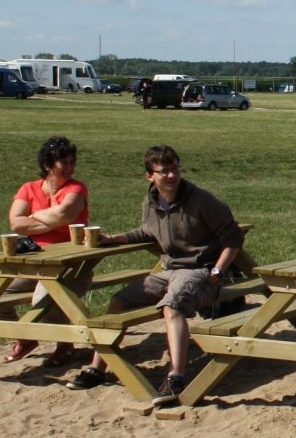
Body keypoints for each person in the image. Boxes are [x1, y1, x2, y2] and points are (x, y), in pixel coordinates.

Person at [67, 145, 243, 405]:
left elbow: (234, 237)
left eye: (175, 169)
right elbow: (147, 232)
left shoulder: (202, 200)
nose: (172, 176)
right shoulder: (151, 202)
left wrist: (218, 270)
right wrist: (111, 240)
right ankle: (97, 368)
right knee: (118, 302)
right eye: (165, 172)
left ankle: (176, 376)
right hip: (169, 269)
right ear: (150, 176)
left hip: (199, 269)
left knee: (172, 307)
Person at [2, 136, 90, 365]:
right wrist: (52, 219)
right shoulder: (28, 188)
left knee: (43, 298)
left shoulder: (77, 188)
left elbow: (65, 214)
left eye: (72, 162)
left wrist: (32, 217)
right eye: (64, 163)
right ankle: (25, 338)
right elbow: (15, 223)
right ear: (47, 165)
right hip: (35, 263)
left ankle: (65, 345)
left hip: (71, 264)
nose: (70, 168)